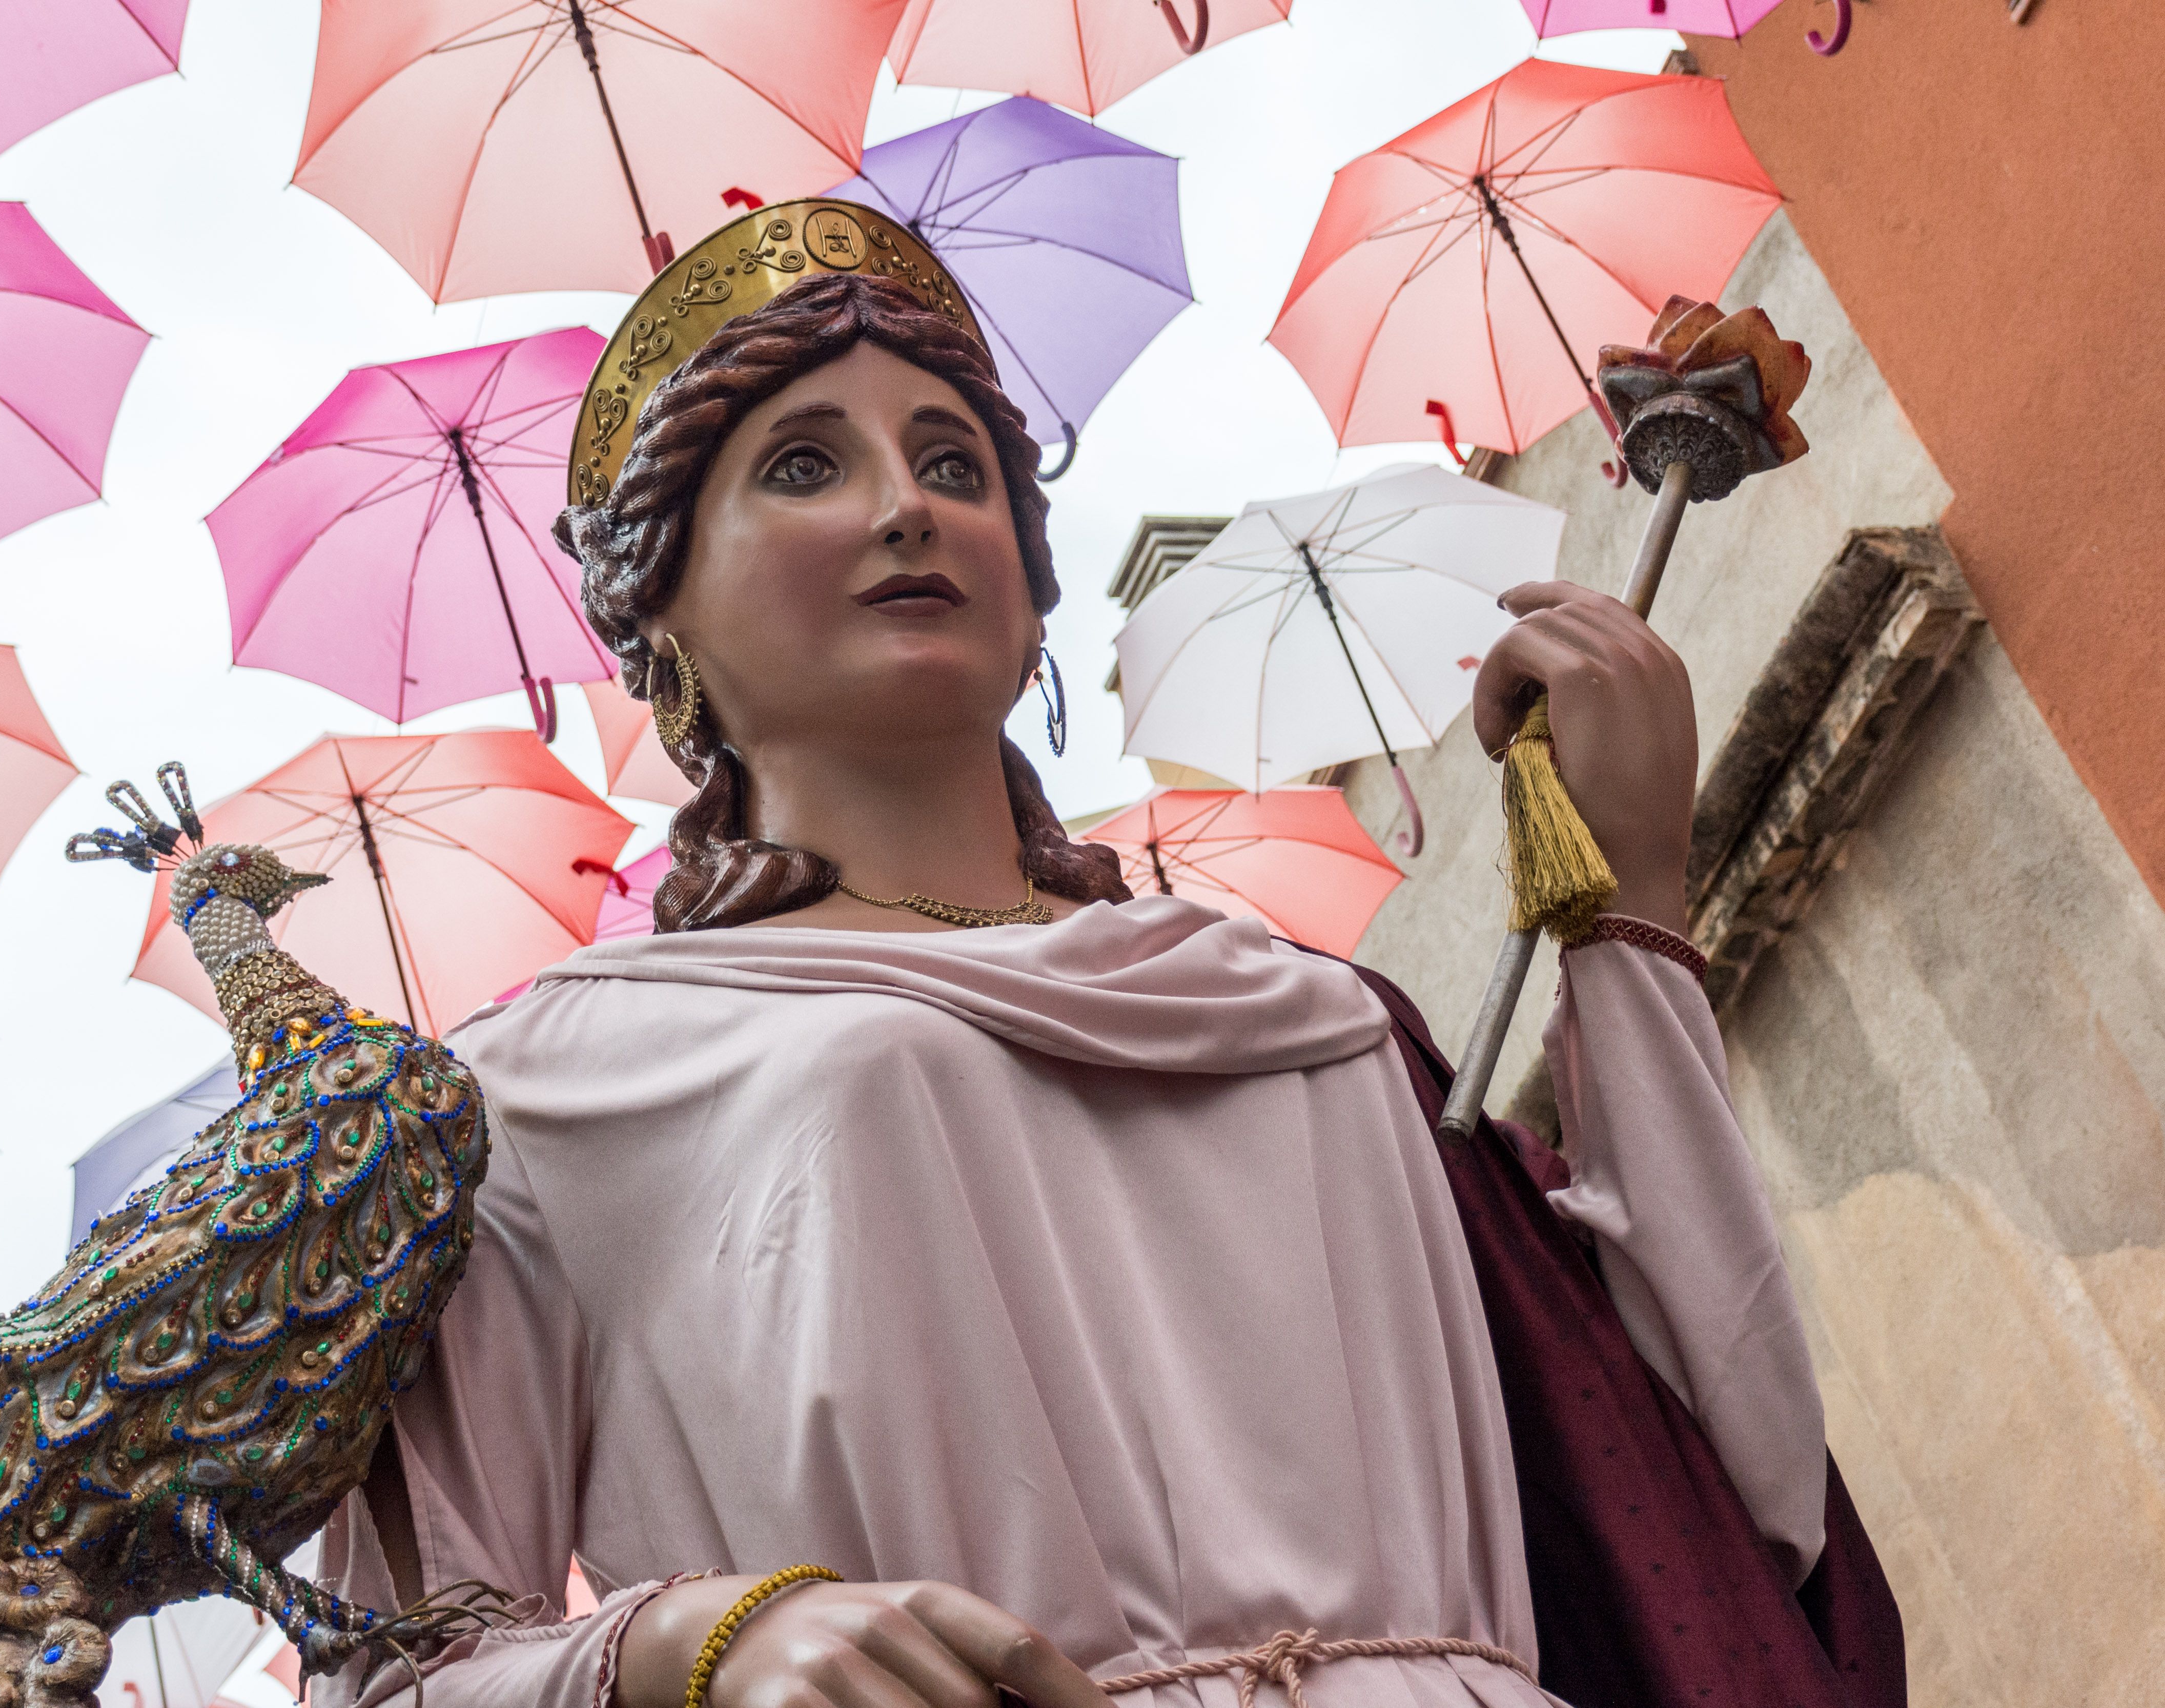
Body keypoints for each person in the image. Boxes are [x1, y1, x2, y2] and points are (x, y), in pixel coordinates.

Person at [311, 218, 1874, 1708]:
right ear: (658, 619)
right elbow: (397, 1668)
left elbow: (1723, 1494)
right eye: (803, 467)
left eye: (952, 463)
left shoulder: (1314, 1015)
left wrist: (1631, 907)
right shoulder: (533, 1100)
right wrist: (690, 1643)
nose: (906, 506)